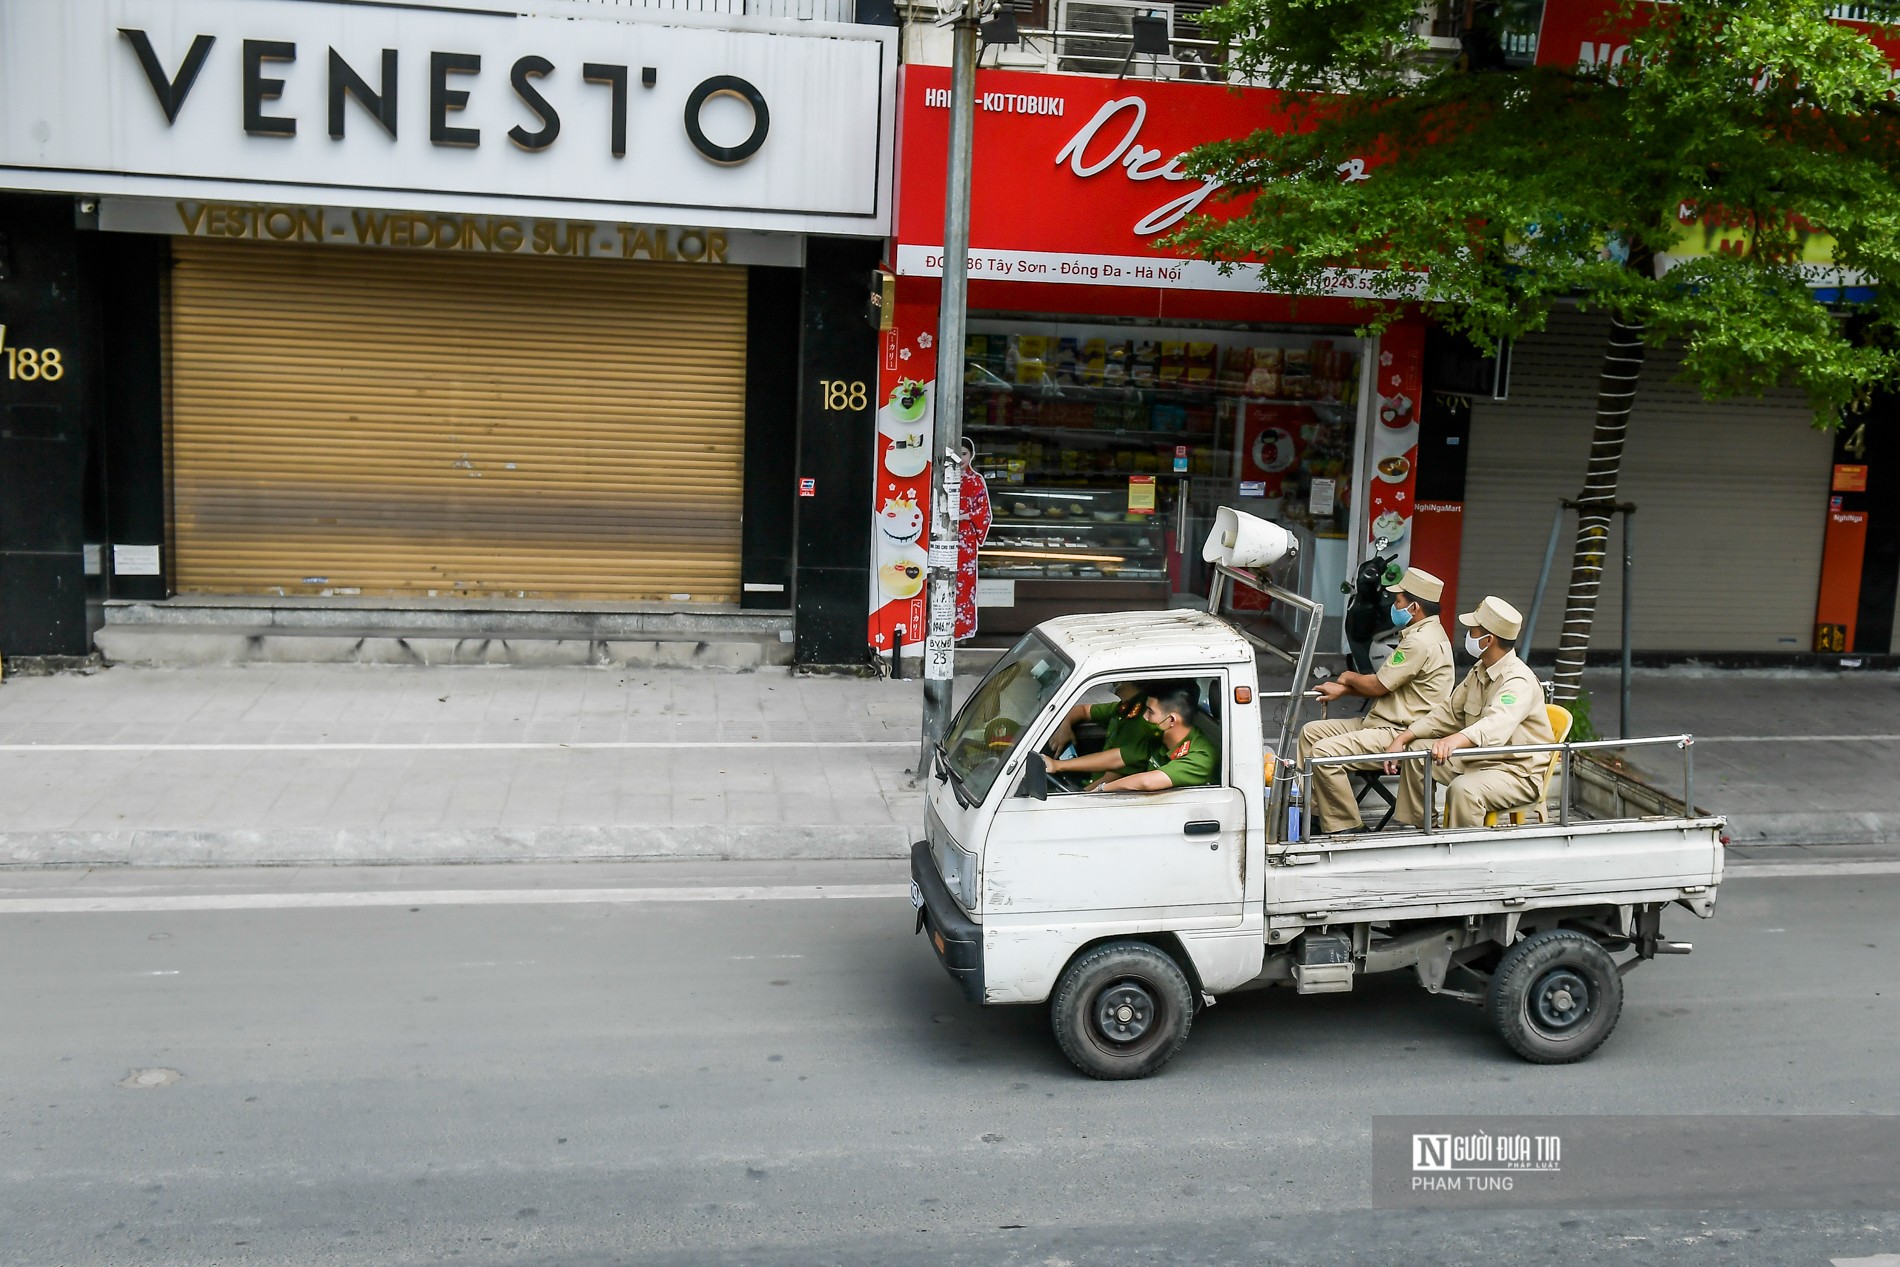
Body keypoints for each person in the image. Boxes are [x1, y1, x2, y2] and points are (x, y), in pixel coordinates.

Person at [1296, 567, 1455, 834]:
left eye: (1399, 601)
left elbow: (1379, 684)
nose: (1395, 605)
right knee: (1311, 733)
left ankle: (1348, 827)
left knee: (1324, 753)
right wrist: (1344, 690)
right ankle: (1317, 812)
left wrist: (1347, 678)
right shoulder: (1422, 635)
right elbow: (1387, 684)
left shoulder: (1420, 642)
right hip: (1380, 722)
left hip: (1401, 732)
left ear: (1415, 607)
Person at [1382, 595, 1555, 829]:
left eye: (1473, 631)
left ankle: (1461, 850)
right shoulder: (1480, 670)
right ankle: (1420, 829)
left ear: (1488, 640)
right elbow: (1447, 713)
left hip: (1516, 772)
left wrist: (1454, 740)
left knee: (1464, 790)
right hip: (1479, 759)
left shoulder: (1518, 680)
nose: (1468, 636)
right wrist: (1404, 737)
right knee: (1416, 753)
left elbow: (1496, 725)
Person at [1100, 680, 1219, 792]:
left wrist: (1101, 789)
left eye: (1150, 712)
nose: (1144, 717)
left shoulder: (1201, 758)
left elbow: (1146, 782)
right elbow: (1122, 756)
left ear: (1171, 720)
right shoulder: (1161, 735)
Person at [1044, 680, 1162, 781]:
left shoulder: (1142, 722)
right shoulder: (1124, 707)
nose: (1113, 683)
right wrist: (1065, 726)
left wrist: (1083, 792)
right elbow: (1084, 710)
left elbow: (1117, 768)